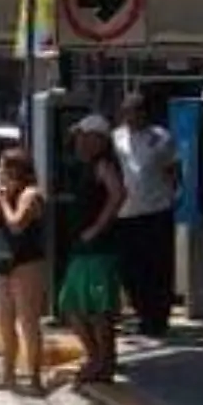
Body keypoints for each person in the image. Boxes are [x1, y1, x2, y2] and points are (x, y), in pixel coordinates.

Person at [58, 114, 128, 386]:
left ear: (99, 139)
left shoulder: (104, 165)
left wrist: (98, 227)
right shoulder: (82, 166)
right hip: (81, 246)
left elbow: (119, 194)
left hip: (99, 246)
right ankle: (95, 356)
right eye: (79, 137)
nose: (80, 142)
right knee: (73, 304)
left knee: (100, 308)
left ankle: (103, 362)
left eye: (85, 137)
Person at [112, 93, 179, 336]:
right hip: (126, 213)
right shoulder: (116, 139)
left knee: (158, 267)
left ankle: (158, 317)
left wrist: (173, 196)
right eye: (128, 112)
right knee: (131, 269)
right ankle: (141, 311)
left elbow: (172, 170)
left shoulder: (160, 138)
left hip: (156, 211)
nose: (133, 117)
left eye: (137, 112)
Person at [0, 147, 48, 396]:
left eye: (3, 168)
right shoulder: (5, 194)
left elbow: (16, 225)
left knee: (28, 320)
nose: (0, 173)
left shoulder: (30, 194)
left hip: (27, 263)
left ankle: (35, 377)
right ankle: (8, 373)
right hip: (5, 262)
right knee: (5, 319)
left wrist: (3, 200)